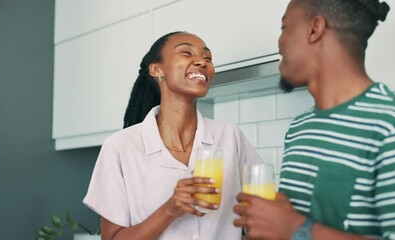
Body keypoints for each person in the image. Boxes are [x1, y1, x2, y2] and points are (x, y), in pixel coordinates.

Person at [233, 0, 395, 239]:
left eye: (284, 28)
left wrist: (295, 228)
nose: (280, 43)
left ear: (314, 29)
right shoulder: (300, 129)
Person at [83, 31, 262, 240]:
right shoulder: (120, 147)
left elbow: (260, 214)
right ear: (157, 69)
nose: (202, 62)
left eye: (208, 58)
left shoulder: (230, 137)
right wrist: (170, 209)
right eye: (187, 53)